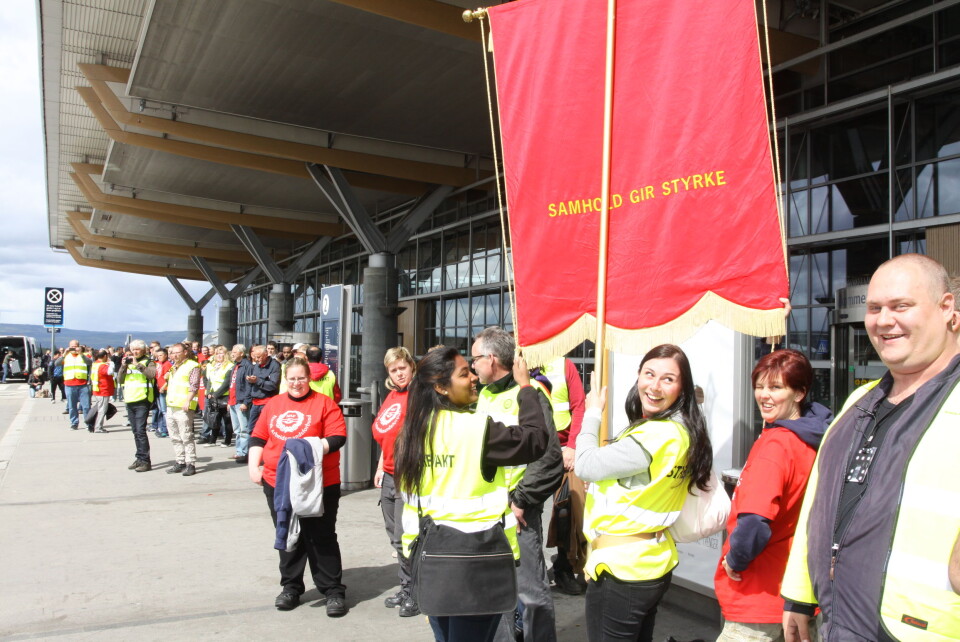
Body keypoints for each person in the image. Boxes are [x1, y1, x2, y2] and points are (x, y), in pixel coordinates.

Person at [782, 254, 960, 641]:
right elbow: (818, 500)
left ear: (947, 309)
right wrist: (798, 595)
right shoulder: (858, 401)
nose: (883, 320)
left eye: (901, 306)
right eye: (875, 308)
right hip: (837, 622)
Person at [395, 346, 552, 642]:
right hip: (476, 560)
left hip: (427, 559)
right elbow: (536, 440)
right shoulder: (476, 429)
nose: (473, 378)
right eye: (463, 373)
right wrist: (526, 388)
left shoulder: (411, 432)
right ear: (441, 387)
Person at [575, 344, 715, 641]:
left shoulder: (656, 435)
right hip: (650, 561)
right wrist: (604, 484)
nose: (654, 386)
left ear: (682, 387)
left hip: (623, 570)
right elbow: (643, 484)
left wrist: (591, 413)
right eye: (649, 374)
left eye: (668, 379)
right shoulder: (683, 432)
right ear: (638, 375)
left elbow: (585, 464)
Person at [713, 350, 831, 641]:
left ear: (800, 392)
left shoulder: (777, 444)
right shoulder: (816, 437)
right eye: (760, 386)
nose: (764, 395)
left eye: (776, 387)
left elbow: (754, 521)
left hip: (758, 593)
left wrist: (735, 559)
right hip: (796, 589)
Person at [471, 326, 563, 642]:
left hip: (519, 513)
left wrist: (521, 499)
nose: (472, 367)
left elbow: (549, 457)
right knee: (494, 594)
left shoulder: (531, 394)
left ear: (491, 358)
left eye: (475, 359)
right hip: (486, 513)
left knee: (531, 594)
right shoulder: (482, 395)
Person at [247, 357, 348, 616]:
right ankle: (291, 587)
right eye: (291, 378)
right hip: (278, 481)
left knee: (320, 536)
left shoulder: (324, 404)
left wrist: (307, 448)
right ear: (285, 379)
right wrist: (253, 467)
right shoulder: (274, 404)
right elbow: (259, 436)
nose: (296, 383)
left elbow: (338, 437)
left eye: (301, 378)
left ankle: (333, 590)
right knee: (288, 534)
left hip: (319, 483)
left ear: (309, 378)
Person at [373, 347, 418, 617]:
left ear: (411, 366)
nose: (399, 373)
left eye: (402, 367)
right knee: (395, 538)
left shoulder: (419, 395)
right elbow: (385, 435)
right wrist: (380, 465)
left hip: (408, 475)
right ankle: (405, 586)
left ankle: (415, 590)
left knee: (407, 537)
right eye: (393, 369)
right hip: (389, 473)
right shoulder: (391, 396)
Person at [538, 356, 588, 595]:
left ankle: (564, 568)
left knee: (566, 512)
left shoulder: (563, 364)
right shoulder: (520, 362)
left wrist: (572, 446)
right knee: (529, 515)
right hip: (535, 452)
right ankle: (534, 570)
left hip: (564, 452)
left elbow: (579, 405)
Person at [117, 339, 156, 472]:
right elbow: (119, 380)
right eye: (133, 350)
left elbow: (151, 375)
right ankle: (139, 458)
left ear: (143, 350)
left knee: (140, 431)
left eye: (137, 349)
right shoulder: (128, 363)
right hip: (130, 399)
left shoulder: (147, 362)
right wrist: (123, 367)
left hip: (142, 399)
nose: (134, 352)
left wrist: (137, 364)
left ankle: (145, 461)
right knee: (135, 431)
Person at [239, 345, 281, 464]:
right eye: (255, 357)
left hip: (267, 402)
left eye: (259, 357)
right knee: (252, 430)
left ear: (266, 355)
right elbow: (250, 386)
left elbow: (273, 385)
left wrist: (257, 380)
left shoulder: (274, 365)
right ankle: (252, 454)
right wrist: (246, 400)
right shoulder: (256, 366)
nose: (257, 360)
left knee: (267, 430)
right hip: (255, 402)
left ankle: (268, 455)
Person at [165, 343, 201, 476]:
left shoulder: (192, 365)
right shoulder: (174, 366)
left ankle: (190, 462)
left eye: (177, 352)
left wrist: (188, 401)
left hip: (183, 407)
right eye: (172, 353)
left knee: (186, 436)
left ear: (185, 352)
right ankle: (180, 461)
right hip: (171, 405)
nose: (174, 355)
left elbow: (194, 385)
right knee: (174, 436)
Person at [198, 345, 233, 446]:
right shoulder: (212, 365)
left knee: (226, 420)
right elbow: (208, 380)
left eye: (221, 353)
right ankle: (212, 440)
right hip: (213, 396)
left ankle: (227, 441)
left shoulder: (229, 365)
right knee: (214, 418)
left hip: (224, 396)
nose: (218, 355)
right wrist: (209, 392)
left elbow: (226, 383)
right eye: (217, 353)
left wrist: (216, 394)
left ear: (225, 354)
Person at [228, 344, 253, 460]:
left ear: (241, 353)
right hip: (233, 400)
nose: (232, 354)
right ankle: (239, 451)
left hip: (241, 401)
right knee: (237, 429)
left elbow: (248, 385)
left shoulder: (246, 365)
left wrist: (246, 401)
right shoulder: (235, 366)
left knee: (244, 429)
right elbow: (232, 385)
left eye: (234, 352)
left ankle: (244, 452)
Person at [61, 340, 92, 430]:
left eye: (75, 346)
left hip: (83, 384)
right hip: (69, 384)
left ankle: (88, 423)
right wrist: (64, 354)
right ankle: (74, 423)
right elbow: (57, 363)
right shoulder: (66, 356)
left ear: (79, 346)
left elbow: (90, 362)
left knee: (86, 406)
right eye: (72, 346)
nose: (74, 348)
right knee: (72, 406)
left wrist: (81, 354)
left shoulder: (84, 355)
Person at [88, 350, 115, 433]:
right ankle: (98, 427)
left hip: (98, 389)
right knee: (102, 410)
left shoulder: (95, 364)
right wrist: (112, 363)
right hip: (103, 389)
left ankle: (98, 426)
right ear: (105, 356)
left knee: (100, 408)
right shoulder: (102, 365)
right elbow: (110, 372)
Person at [153, 347, 171, 438]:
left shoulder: (167, 364)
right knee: (161, 410)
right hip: (159, 388)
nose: (159, 357)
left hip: (164, 389)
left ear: (166, 355)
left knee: (165, 411)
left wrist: (164, 387)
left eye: (161, 355)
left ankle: (165, 430)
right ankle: (160, 427)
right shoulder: (159, 364)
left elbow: (169, 378)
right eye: (158, 355)